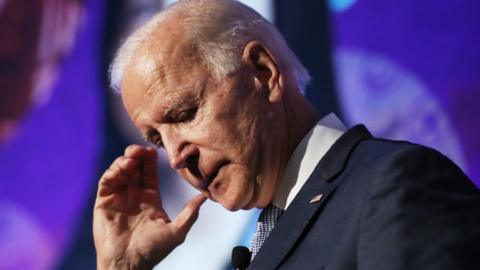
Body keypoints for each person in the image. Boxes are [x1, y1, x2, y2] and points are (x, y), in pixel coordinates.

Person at [93, 0, 480, 269]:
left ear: (263, 73)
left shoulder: (393, 185)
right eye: (158, 139)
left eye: (184, 113)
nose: (177, 156)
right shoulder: (266, 236)